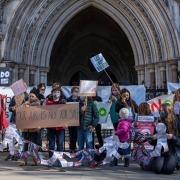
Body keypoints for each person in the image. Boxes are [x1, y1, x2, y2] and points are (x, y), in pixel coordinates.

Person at [21, 88, 41, 166]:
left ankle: (35, 159)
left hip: (35, 129)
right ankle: (24, 160)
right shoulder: (26, 103)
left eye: (32, 96)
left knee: (34, 145)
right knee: (25, 144)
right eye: (30, 96)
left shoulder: (39, 104)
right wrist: (24, 105)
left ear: (36, 97)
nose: (31, 97)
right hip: (26, 129)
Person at [46, 83, 66, 157]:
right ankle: (51, 158)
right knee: (51, 143)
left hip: (60, 126)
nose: (56, 93)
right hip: (51, 126)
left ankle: (60, 158)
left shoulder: (63, 102)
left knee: (60, 143)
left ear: (60, 93)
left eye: (58, 92)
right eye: (55, 92)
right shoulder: (48, 102)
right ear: (52, 93)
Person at [67, 86, 82, 152]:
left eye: (77, 92)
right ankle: (71, 148)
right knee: (71, 134)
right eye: (75, 91)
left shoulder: (80, 100)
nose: (76, 93)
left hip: (77, 120)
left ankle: (75, 148)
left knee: (76, 135)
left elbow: (82, 110)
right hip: (70, 120)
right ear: (72, 92)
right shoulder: (68, 99)